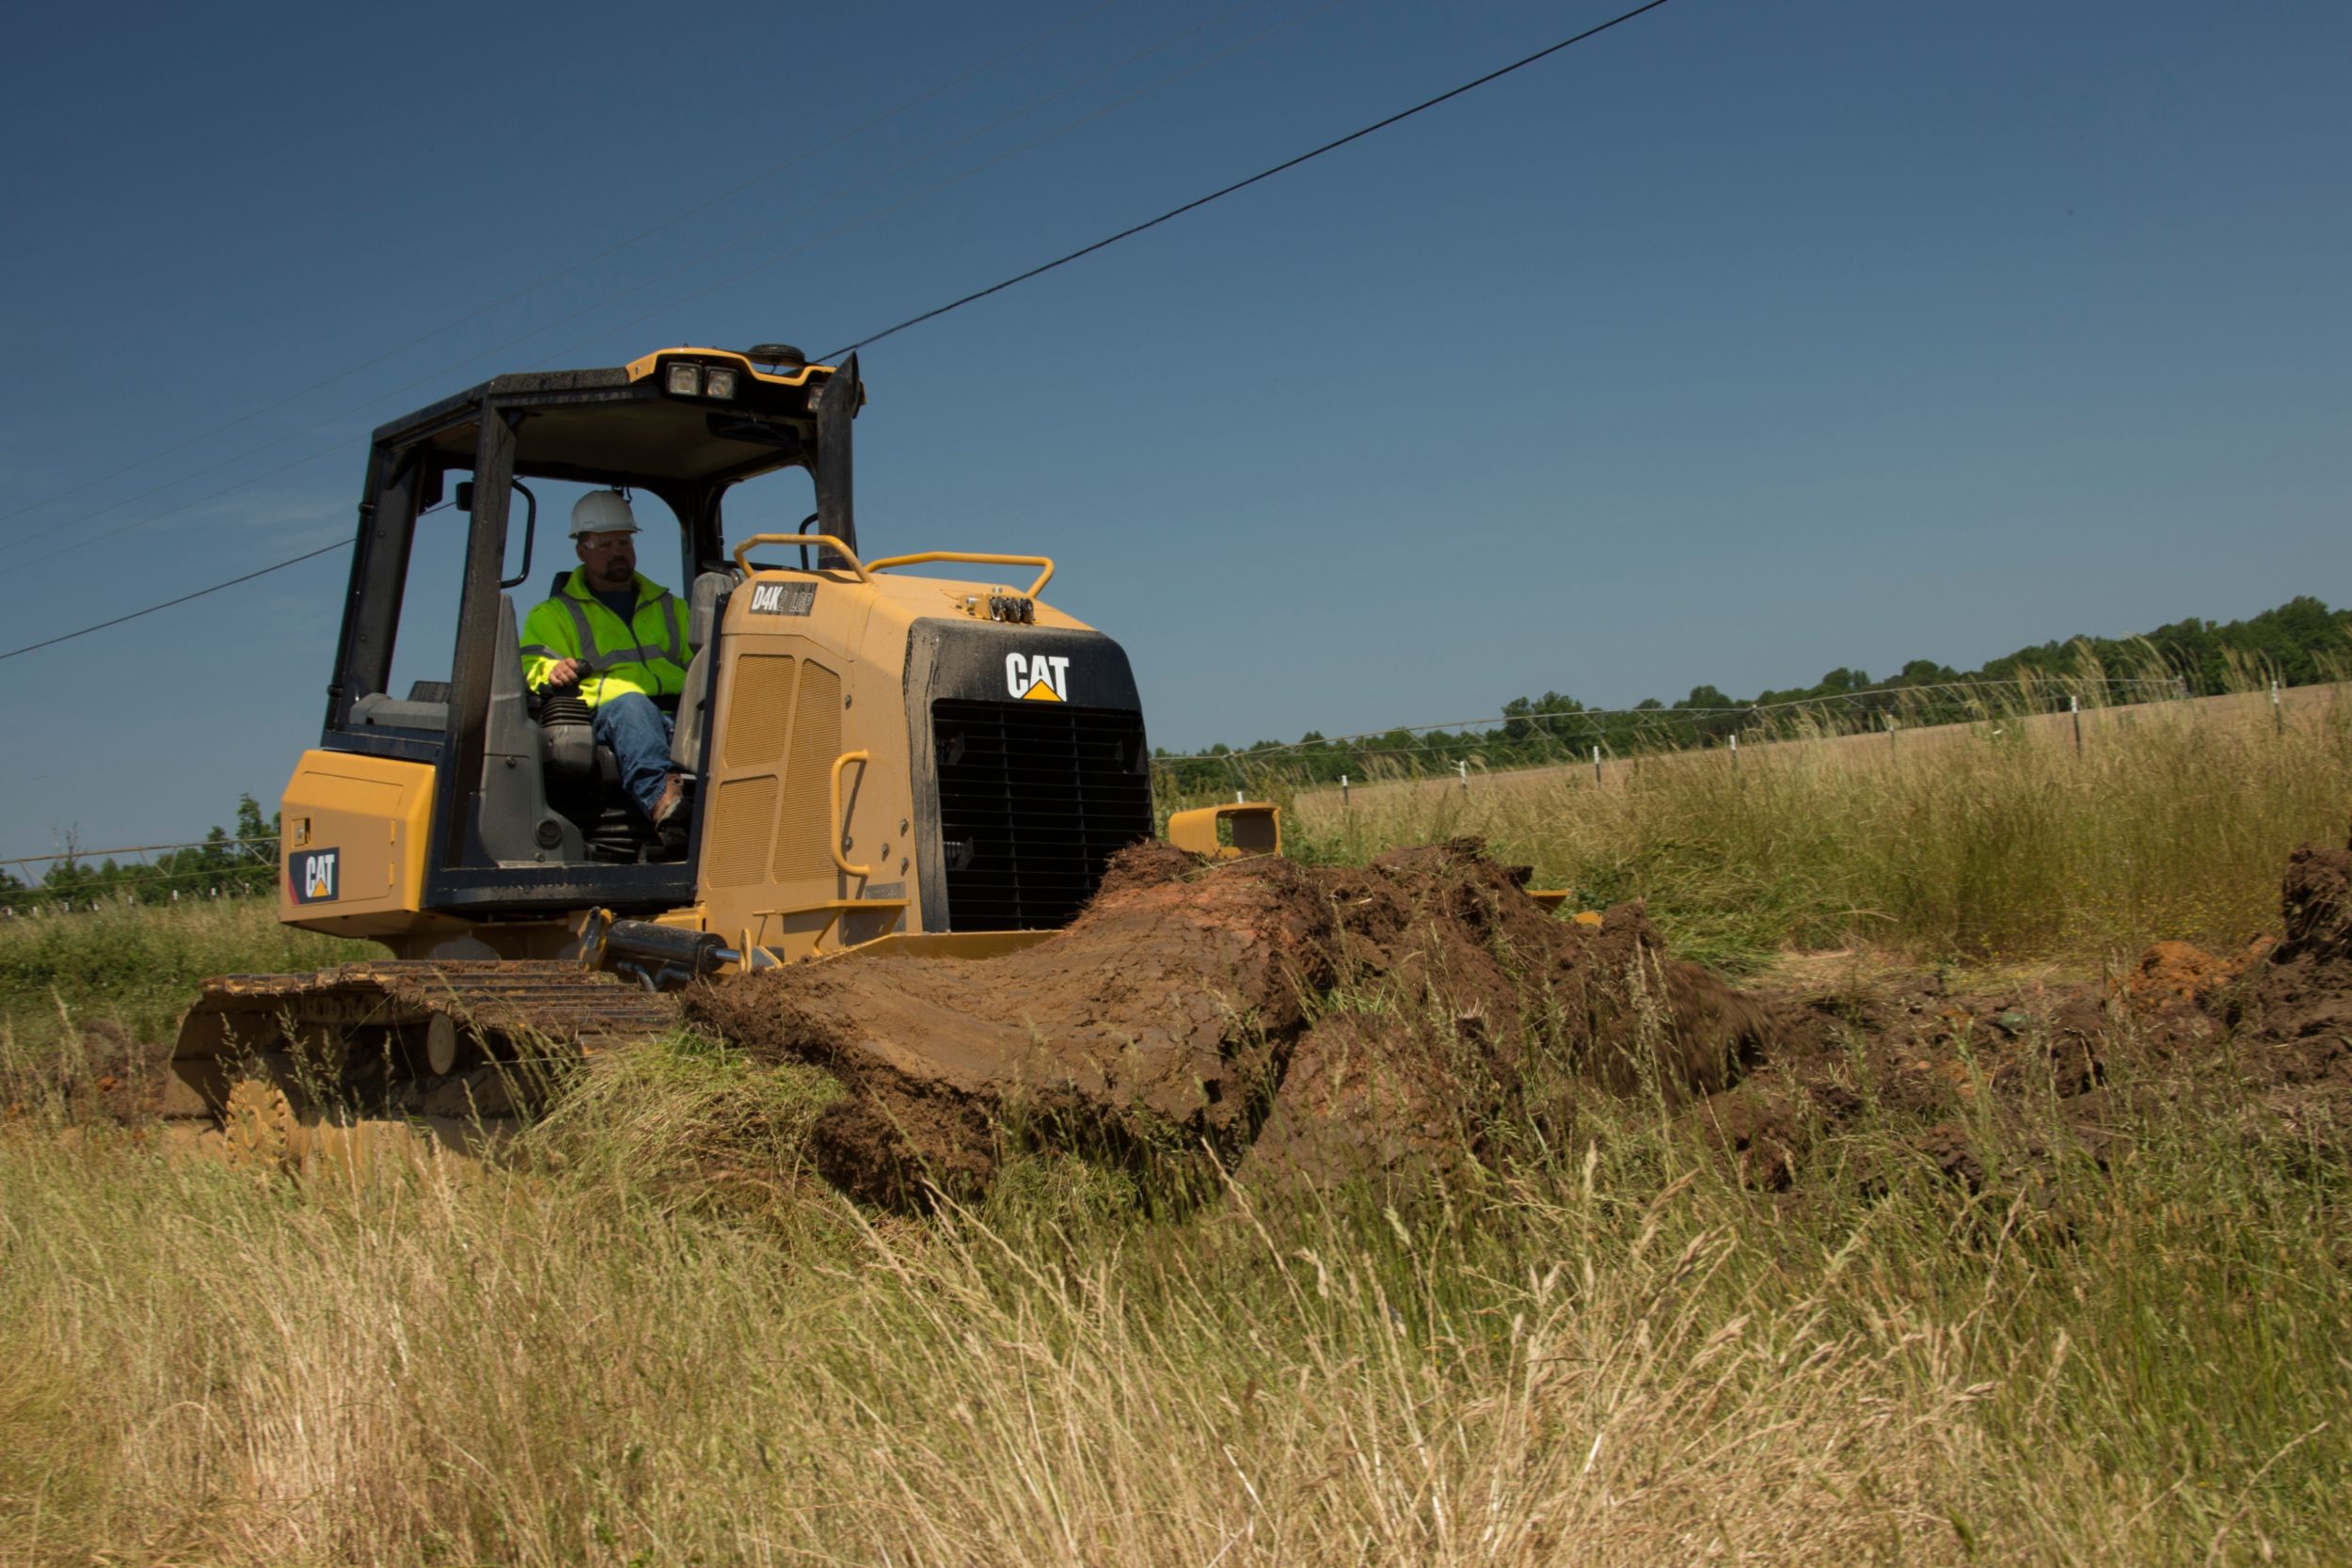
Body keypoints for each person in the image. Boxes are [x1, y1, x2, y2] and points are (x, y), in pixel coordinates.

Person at [521, 491, 693, 847]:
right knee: (632, 704)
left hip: (677, 710)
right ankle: (662, 801)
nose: (618, 551)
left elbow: (704, 661)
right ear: (581, 551)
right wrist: (552, 670)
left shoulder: (670, 606)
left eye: (624, 541)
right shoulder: (553, 614)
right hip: (608, 715)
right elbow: (531, 661)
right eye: (604, 544)